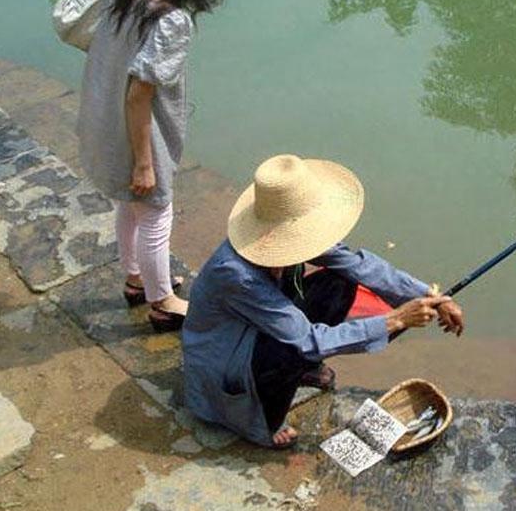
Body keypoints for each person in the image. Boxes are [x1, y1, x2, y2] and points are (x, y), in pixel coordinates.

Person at [182, 154, 465, 448]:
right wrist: (395, 320)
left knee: (340, 282)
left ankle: (301, 369)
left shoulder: (292, 239)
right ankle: (262, 422)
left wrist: (432, 298)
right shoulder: (236, 273)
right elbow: (307, 339)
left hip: (263, 326)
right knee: (291, 349)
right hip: (227, 359)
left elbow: (357, 265)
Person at [76, 0, 239, 332]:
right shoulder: (174, 20)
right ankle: (163, 302)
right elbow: (140, 94)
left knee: (129, 204)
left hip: (102, 112)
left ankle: (136, 279)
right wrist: (145, 161)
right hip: (134, 126)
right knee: (154, 209)